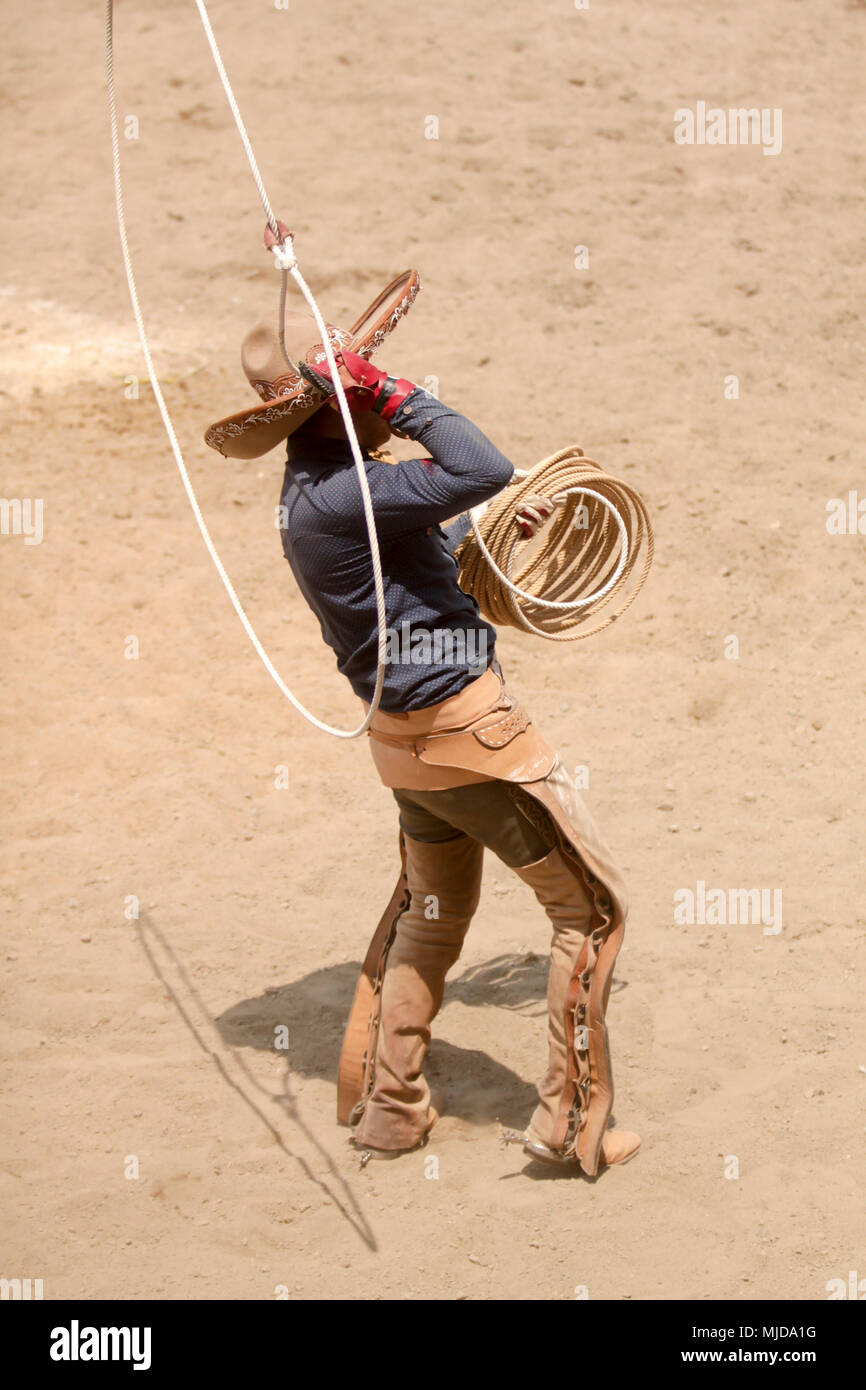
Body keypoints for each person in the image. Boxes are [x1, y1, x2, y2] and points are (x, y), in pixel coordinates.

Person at [205, 280, 639, 1175]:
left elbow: (433, 532)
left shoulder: (320, 493)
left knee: (431, 917)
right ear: (349, 408)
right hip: (471, 733)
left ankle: (388, 1108)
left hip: (407, 748)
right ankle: (569, 1125)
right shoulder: (351, 491)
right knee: (589, 916)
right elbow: (476, 462)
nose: (385, 414)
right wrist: (402, 395)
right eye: (367, 400)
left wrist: (482, 523)